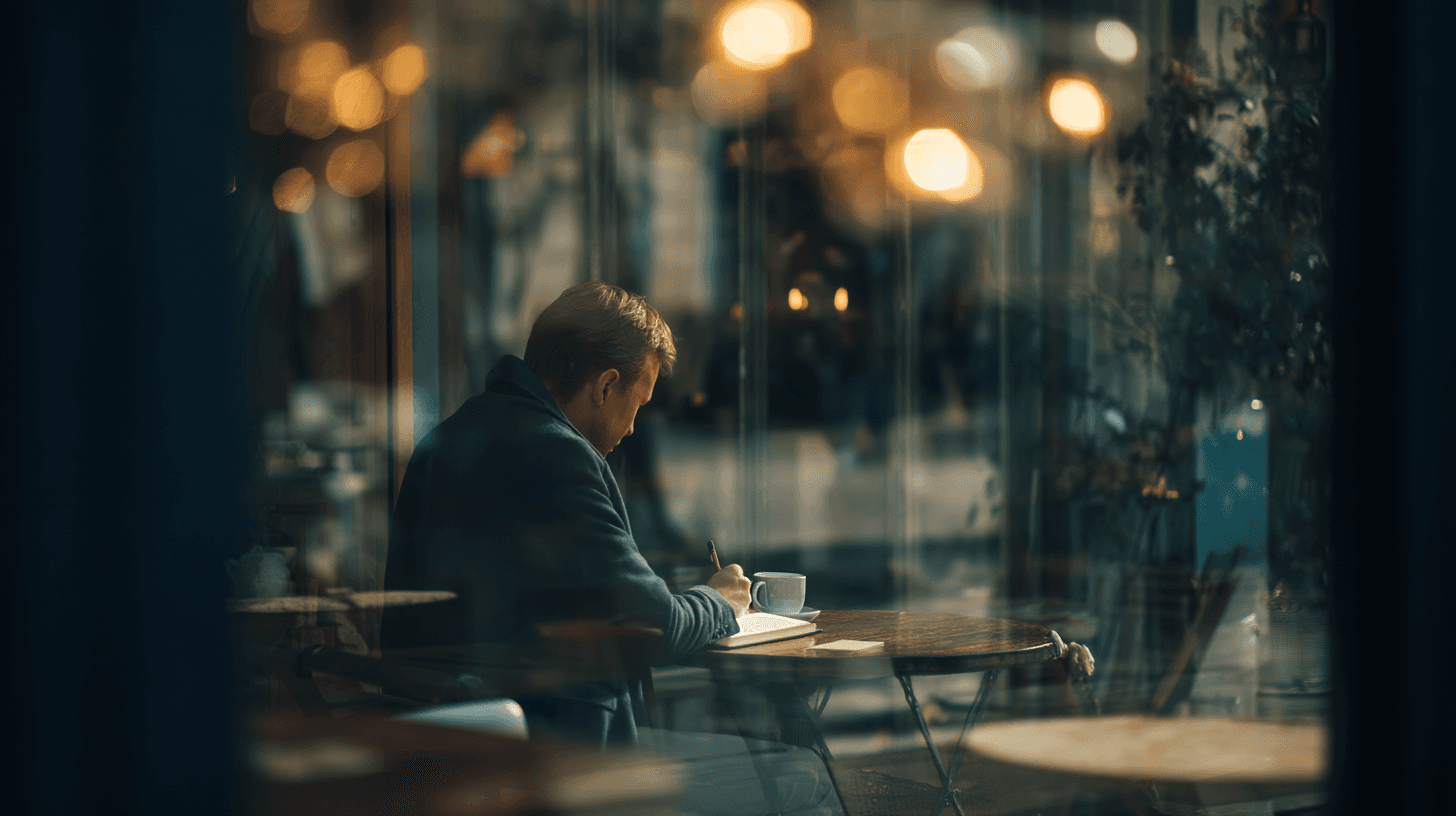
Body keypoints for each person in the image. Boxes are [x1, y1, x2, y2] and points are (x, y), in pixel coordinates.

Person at [383, 282, 843, 815]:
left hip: (455, 750)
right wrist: (721, 602)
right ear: (605, 386)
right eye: (637, 403)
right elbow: (657, 627)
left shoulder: (447, 441)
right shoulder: (558, 456)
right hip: (565, 757)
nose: (631, 426)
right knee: (803, 775)